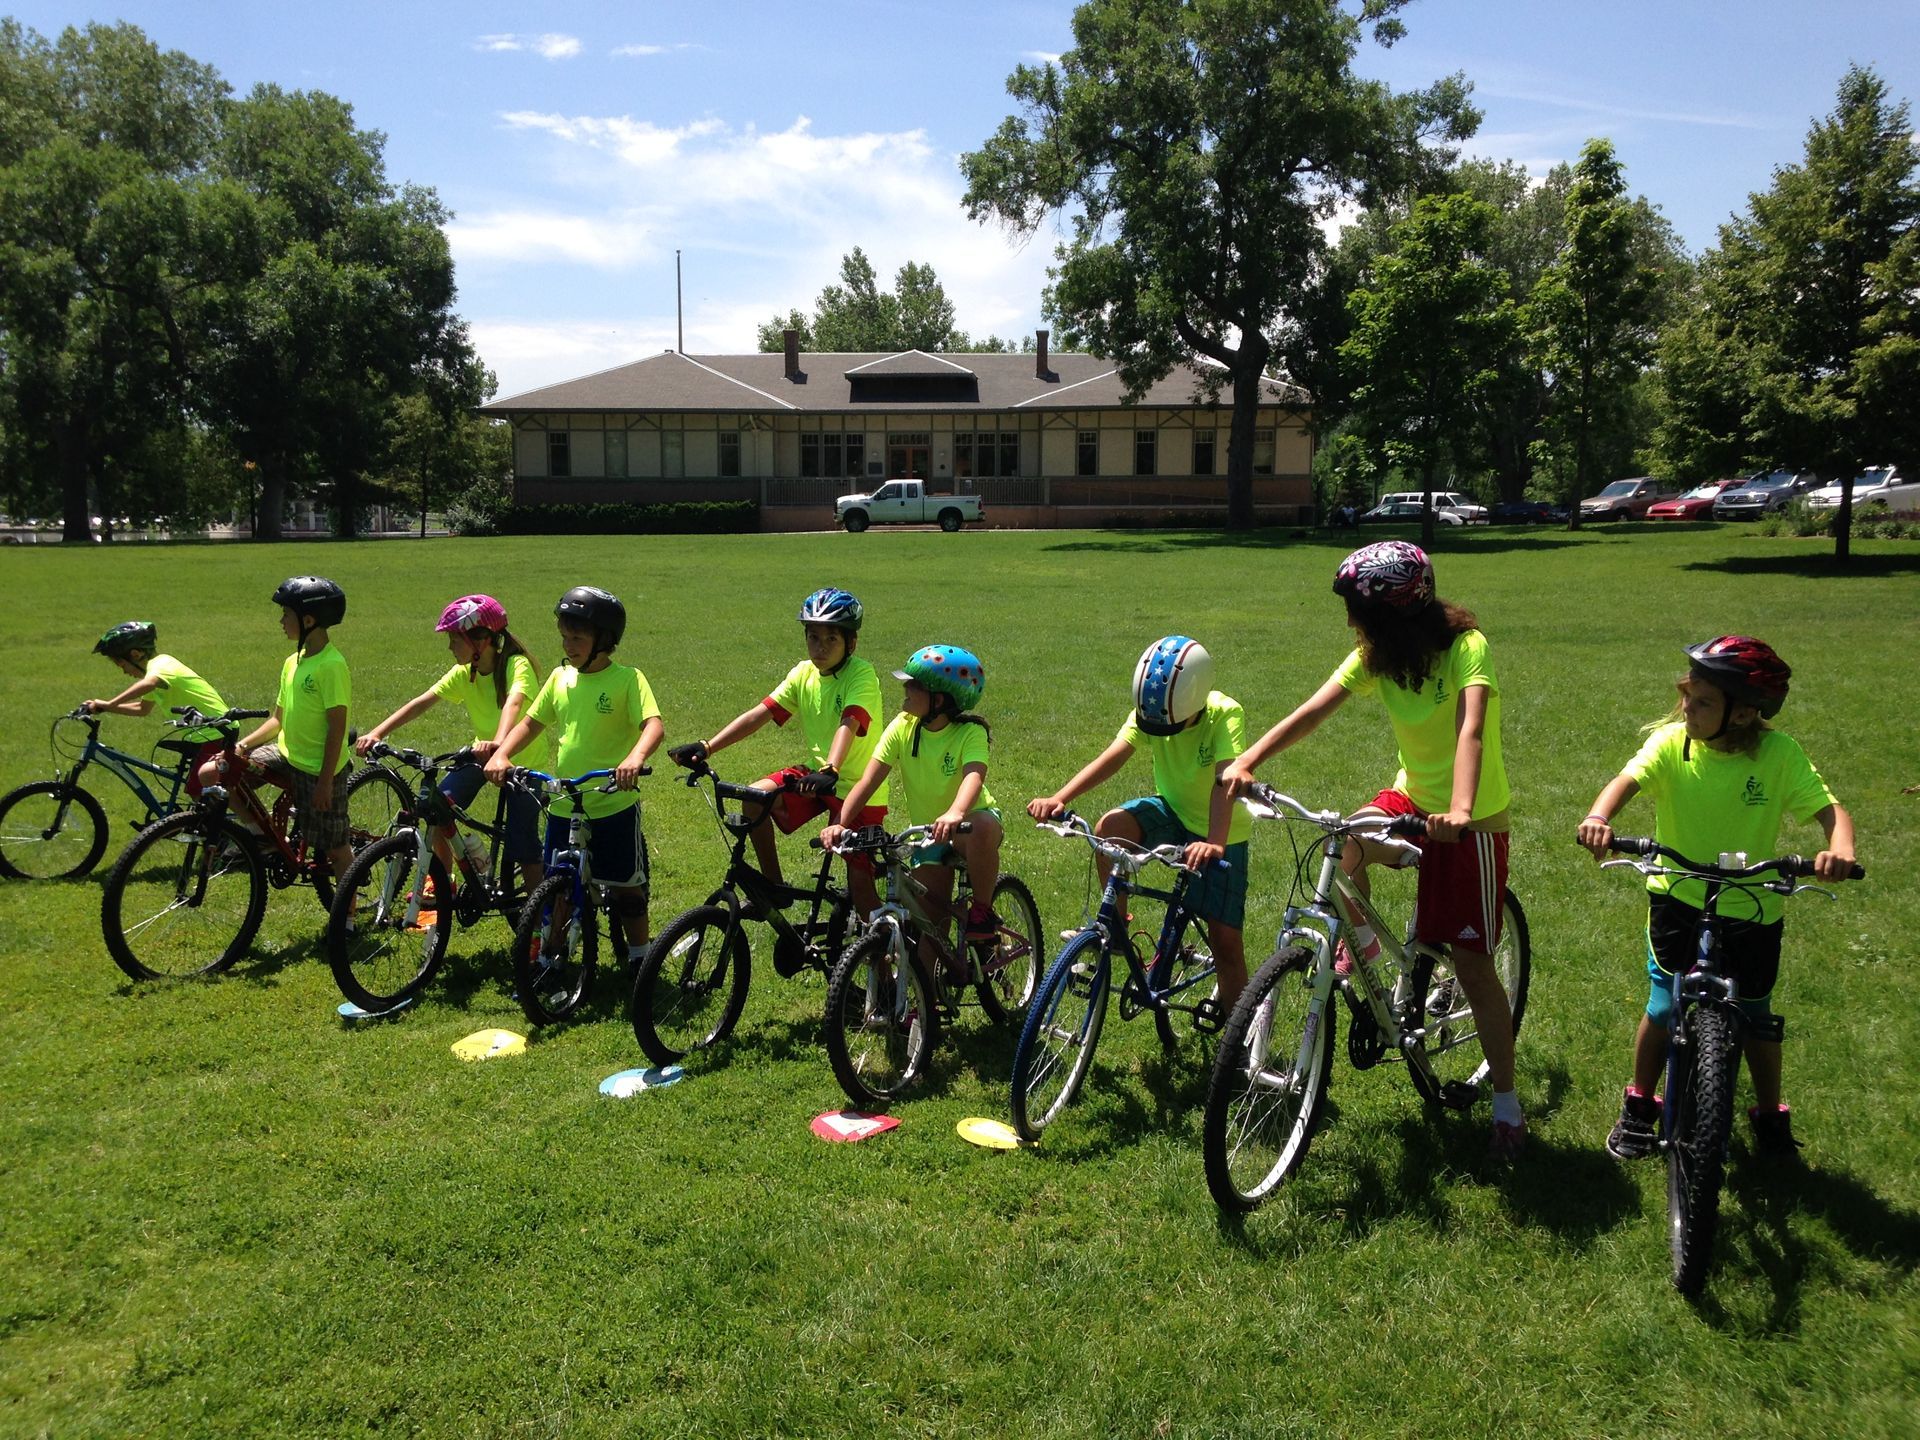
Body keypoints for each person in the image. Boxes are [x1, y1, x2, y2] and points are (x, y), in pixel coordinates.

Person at [1221, 541, 1524, 1157]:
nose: (1351, 623)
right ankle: (1356, 947)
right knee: (1345, 842)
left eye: (1359, 610)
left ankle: (1506, 1105)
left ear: (1395, 614)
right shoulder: (1378, 655)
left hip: (1473, 822)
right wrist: (1250, 758)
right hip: (1410, 800)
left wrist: (1461, 812)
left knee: (1471, 963)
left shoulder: (1467, 648)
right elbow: (1313, 711)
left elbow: (1470, 730)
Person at [1576, 635, 1856, 1159]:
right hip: (1677, 895)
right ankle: (1640, 1104)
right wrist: (1598, 817)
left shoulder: (1779, 755)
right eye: (1688, 695)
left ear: (1746, 713)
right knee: (1663, 1006)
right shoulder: (1670, 743)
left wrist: (1839, 846)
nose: (1687, 708)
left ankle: (1770, 1113)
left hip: (1753, 904)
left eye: (1703, 702)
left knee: (1755, 1014)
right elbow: (1625, 781)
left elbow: (1830, 810)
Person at [1028, 636, 1251, 1013]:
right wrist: (1061, 797)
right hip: (1173, 809)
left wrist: (1214, 841)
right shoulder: (1153, 711)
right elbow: (1115, 755)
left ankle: (1240, 1035)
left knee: (1225, 941)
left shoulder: (1225, 713)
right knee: (1110, 829)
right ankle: (1116, 931)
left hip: (1222, 828)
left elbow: (1224, 780)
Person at [667, 587, 887, 936]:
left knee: (861, 887)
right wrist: (708, 747)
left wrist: (831, 767)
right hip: (818, 778)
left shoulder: (861, 675)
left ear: (852, 643)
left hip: (859, 787)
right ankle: (774, 888)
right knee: (754, 797)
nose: (821, 647)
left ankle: (886, 961)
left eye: (832, 638)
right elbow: (761, 714)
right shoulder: (804, 673)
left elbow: (851, 721)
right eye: (813, 637)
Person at [485, 586, 662, 970]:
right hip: (565, 802)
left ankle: (639, 957)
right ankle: (553, 956)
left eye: (578, 637)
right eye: (565, 636)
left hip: (613, 802)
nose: (569, 644)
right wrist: (502, 752)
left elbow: (653, 726)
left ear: (605, 640)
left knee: (627, 888)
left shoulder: (628, 679)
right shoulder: (560, 678)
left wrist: (635, 756)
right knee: (558, 885)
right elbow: (531, 723)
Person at [820, 644, 1000, 979]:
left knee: (983, 827)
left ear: (941, 699)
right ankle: (922, 1010)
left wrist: (956, 812)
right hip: (929, 834)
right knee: (928, 929)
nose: (905, 689)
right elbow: (868, 781)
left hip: (965, 825)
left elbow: (974, 775)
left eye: (914, 685)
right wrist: (840, 823)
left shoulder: (969, 732)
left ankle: (982, 911)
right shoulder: (903, 726)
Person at [355, 595, 546, 890]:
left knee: (523, 846)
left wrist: (498, 744)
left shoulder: (515, 665)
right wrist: (378, 732)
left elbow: (514, 703)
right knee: (437, 808)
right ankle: (443, 883)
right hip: (482, 754)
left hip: (522, 762)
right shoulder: (465, 672)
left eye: (455, 640)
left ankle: (541, 919)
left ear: (481, 641)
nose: (450, 648)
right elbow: (422, 702)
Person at [205, 577, 355, 881]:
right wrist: (242, 747)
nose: (281, 621)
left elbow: (336, 731)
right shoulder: (293, 662)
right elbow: (278, 720)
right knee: (215, 772)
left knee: (335, 849)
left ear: (309, 620)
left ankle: (347, 920)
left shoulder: (331, 666)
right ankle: (260, 837)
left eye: (287, 614)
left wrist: (325, 782)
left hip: (317, 769)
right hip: (287, 755)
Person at [84, 621, 229, 797]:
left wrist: (109, 703)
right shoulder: (155, 674)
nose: (124, 672)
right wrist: (105, 708)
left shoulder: (161, 664)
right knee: (198, 791)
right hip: (205, 735)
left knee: (198, 791)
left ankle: (213, 824)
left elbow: (148, 684)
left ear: (136, 654)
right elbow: (142, 708)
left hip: (217, 731)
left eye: (122, 665)